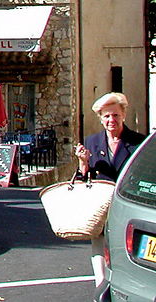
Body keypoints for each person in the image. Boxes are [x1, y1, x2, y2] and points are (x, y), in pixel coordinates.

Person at [73, 92, 145, 287]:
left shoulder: (139, 142)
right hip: (101, 206)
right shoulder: (92, 142)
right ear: (101, 118)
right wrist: (83, 162)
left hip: (127, 205)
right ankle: (101, 286)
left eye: (115, 115)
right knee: (98, 245)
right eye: (106, 116)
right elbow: (82, 177)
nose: (111, 120)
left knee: (126, 248)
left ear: (123, 116)